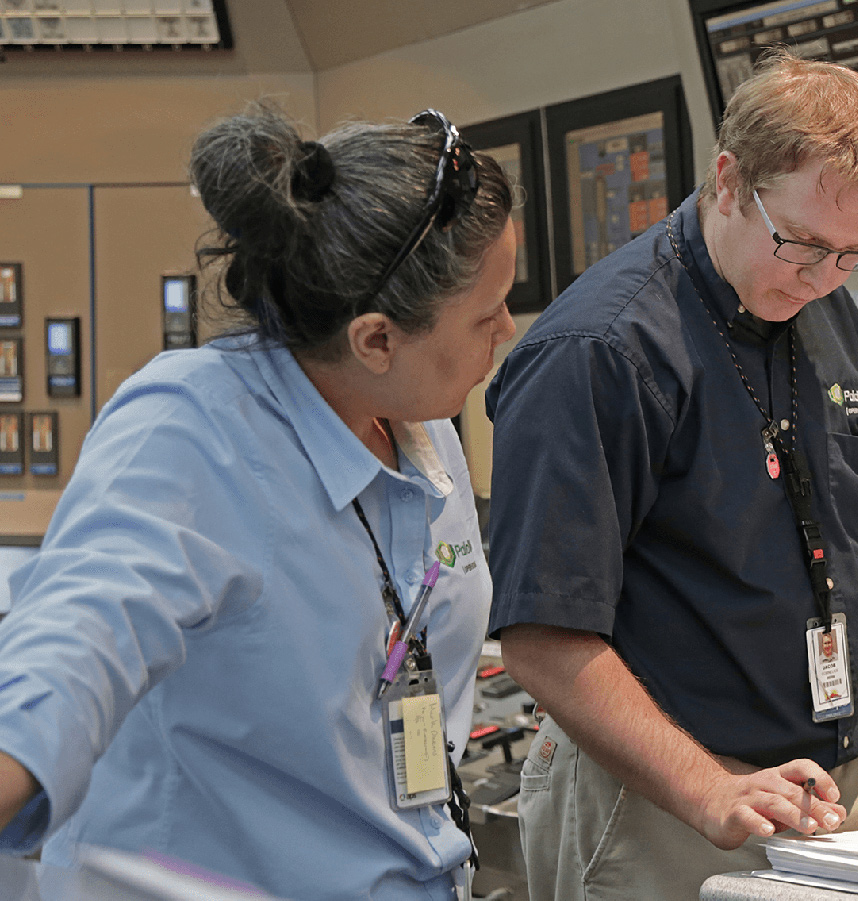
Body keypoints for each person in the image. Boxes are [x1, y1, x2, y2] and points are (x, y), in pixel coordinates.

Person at [0, 101, 517, 900]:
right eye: (487, 314)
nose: (508, 330)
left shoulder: (421, 428)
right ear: (375, 339)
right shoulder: (194, 427)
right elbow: (71, 652)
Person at [484, 49, 858, 899]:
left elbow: (856, 562)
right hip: (667, 808)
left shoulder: (825, 308)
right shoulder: (598, 352)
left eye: (853, 254)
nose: (824, 277)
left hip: (837, 789)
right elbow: (543, 636)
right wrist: (708, 791)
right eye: (802, 244)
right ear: (727, 180)